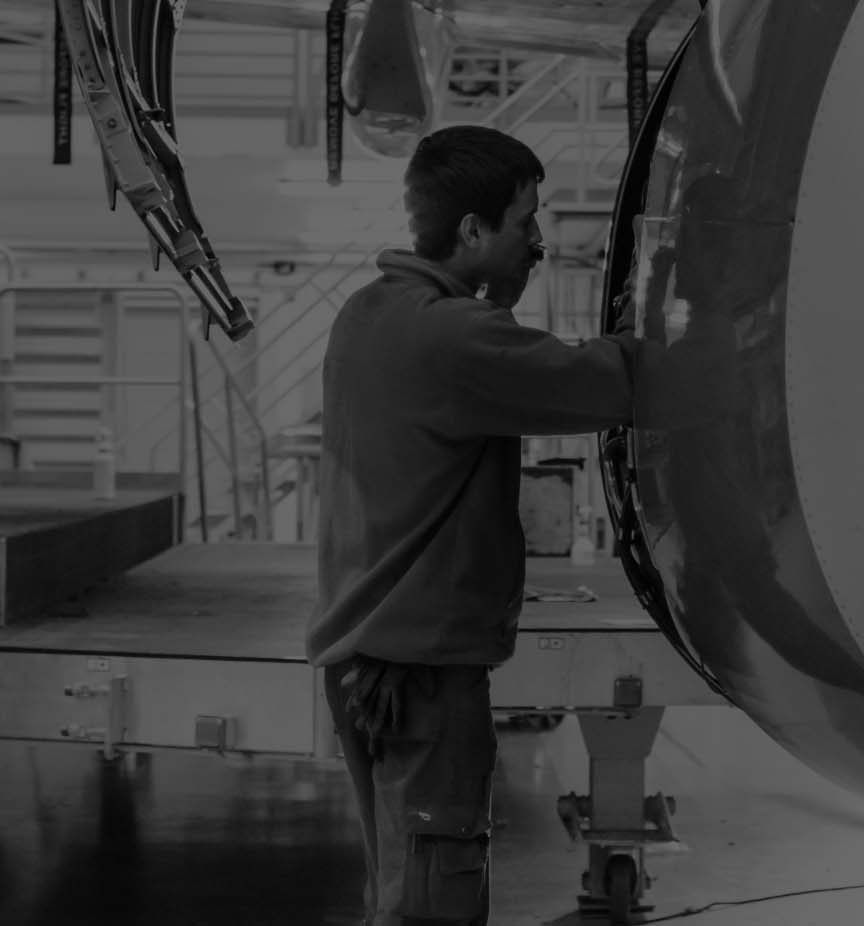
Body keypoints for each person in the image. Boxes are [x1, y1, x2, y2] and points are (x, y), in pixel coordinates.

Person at [306, 124, 642, 926]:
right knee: (436, 889)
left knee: (402, 878)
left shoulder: (368, 311)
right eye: (525, 222)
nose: (537, 242)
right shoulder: (454, 336)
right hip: (420, 673)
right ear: (471, 231)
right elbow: (609, 386)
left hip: (364, 656)